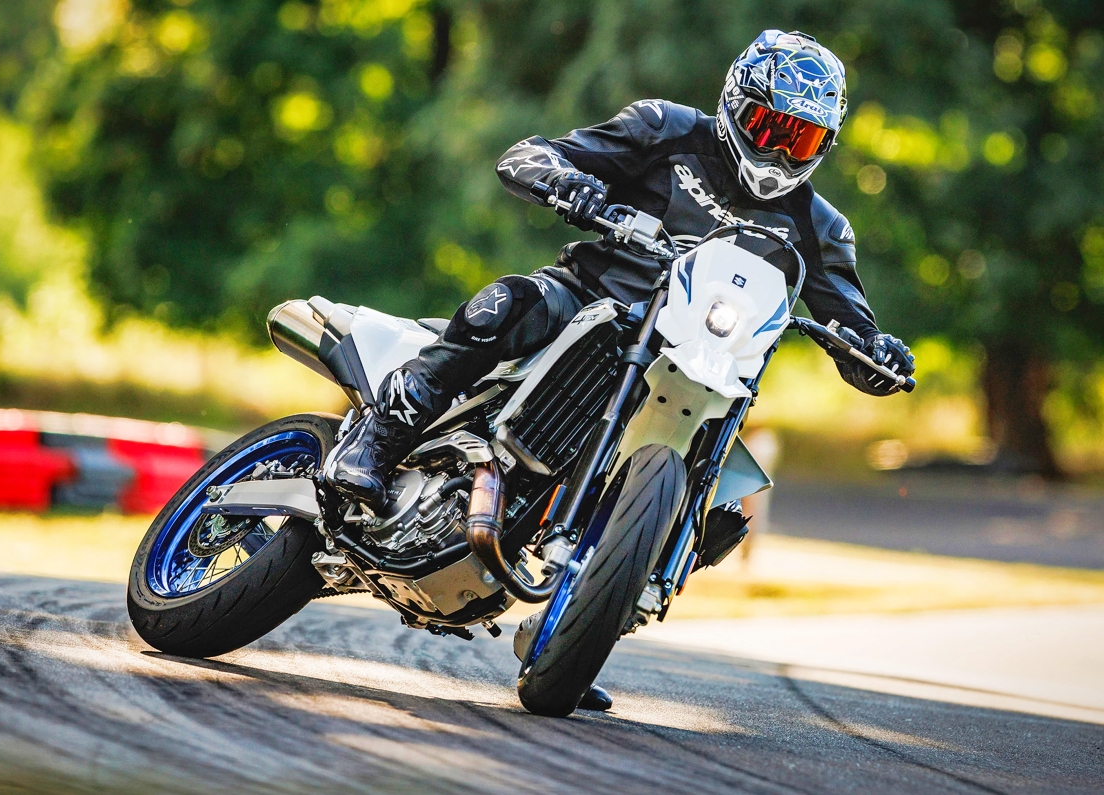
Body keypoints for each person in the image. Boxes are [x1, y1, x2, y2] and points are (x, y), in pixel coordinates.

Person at [325, 33, 915, 709]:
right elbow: (531, 155)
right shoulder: (667, 130)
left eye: (801, 139)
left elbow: (853, 327)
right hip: (596, 301)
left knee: (723, 514)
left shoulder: (819, 228)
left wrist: (879, 355)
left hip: (705, 366)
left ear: (824, 145)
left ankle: (586, 623)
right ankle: (380, 437)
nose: (780, 151)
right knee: (508, 305)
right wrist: (571, 185)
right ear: (736, 102)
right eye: (769, 126)